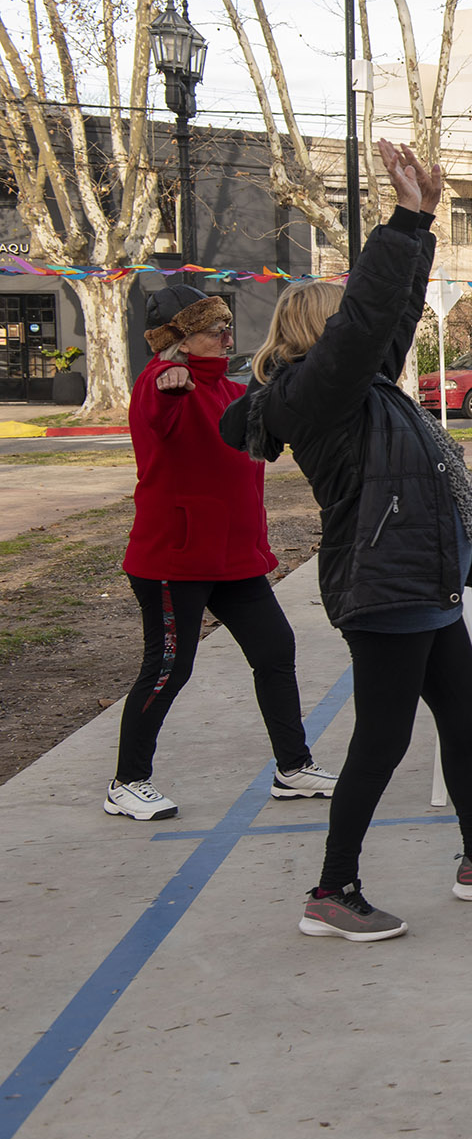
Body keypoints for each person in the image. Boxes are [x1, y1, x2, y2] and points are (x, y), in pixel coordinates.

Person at [225, 140, 472, 941]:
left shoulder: (363, 386)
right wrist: (402, 218)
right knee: (382, 738)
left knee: (464, 711)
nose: (369, 338)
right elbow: (371, 318)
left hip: (421, 579)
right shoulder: (317, 394)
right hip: (384, 584)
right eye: (347, 330)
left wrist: (424, 231)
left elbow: (393, 316)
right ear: (324, 335)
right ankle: (332, 890)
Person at [104, 286, 335, 821]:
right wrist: (170, 381)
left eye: (229, 326)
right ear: (179, 341)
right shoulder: (159, 384)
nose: (228, 336)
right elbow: (158, 410)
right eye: (215, 329)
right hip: (174, 561)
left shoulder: (236, 393)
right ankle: (127, 781)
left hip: (234, 559)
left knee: (276, 651)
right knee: (169, 667)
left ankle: (292, 768)